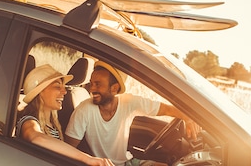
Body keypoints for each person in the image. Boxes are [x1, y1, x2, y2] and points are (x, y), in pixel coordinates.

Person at [65, 61, 201, 166]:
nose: (92, 89)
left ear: (114, 88)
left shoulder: (129, 102)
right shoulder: (84, 110)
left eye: (98, 84)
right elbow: (68, 150)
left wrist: (187, 118)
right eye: (92, 84)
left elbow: (167, 109)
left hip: (128, 161)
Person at [16, 64, 114, 166]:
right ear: (40, 92)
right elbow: (36, 138)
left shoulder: (52, 124)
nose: (64, 92)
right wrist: (87, 159)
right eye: (58, 87)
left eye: (64, 87)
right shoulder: (28, 121)